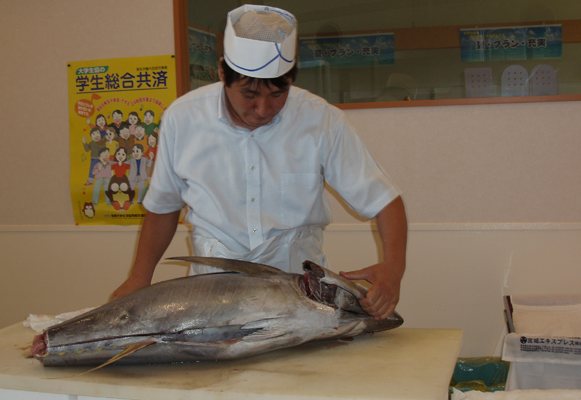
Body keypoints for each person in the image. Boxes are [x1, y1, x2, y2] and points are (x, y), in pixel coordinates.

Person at [110, 4, 407, 320]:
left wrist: (393, 267)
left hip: (299, 295)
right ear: (223, 73)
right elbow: (164, 207)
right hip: (211, 294)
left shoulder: (321, 121)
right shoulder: (182, 119)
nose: (263, 108)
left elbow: (384, 201)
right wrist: (139, 277)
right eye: (249, 94)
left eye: (277, 94)